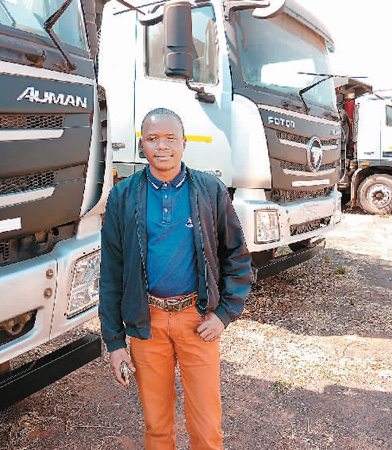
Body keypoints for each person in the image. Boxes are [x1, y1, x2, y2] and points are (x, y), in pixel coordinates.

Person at [99, 108, 251, 450]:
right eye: (153, 139)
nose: (162, 146)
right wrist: (115, 342)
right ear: (142, 145)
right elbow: (111, 273)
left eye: (170, 138)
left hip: (197, 320)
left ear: (184, 143)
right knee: (156, 427)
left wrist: (224, 314)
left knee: (207, 428)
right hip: (146, 322)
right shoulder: (123, 197)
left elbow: (237, 256)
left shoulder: (209, 191)